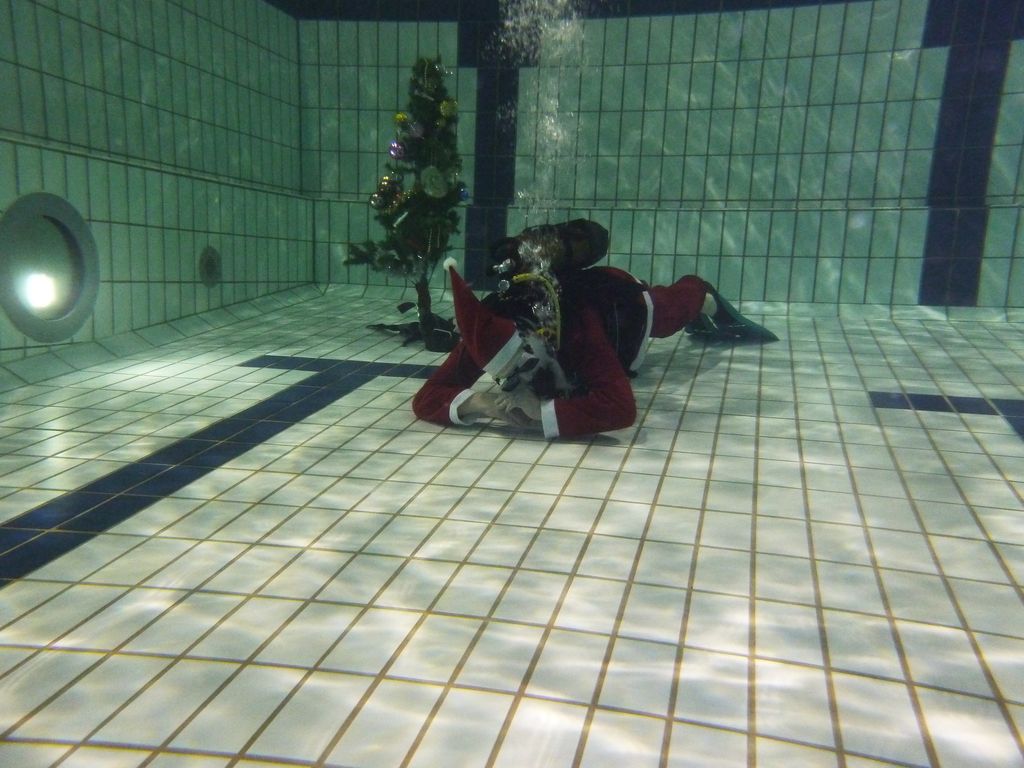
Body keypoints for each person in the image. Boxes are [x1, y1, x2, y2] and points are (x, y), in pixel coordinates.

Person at [412, 220, 776, 439]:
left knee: (672, 310)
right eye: (505, 377)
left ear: (538, 338)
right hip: (575, 312)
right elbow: (426, 397)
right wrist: (482, 403)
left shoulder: (575, 326)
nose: (522, 380)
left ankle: (706, 296)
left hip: (620, 306)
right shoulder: (487, 329)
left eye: (524, 366)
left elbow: (621, 408)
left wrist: (542, 413)